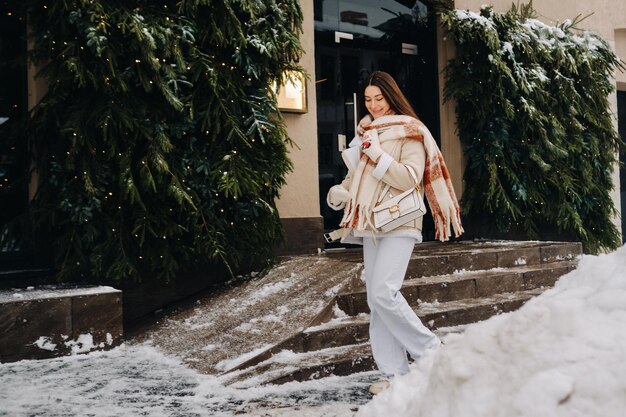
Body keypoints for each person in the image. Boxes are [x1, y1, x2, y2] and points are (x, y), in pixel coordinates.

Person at [325, 71, 463, 394]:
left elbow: (409, 177)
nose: (373, 105)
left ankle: (432, 351)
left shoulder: (410, 131)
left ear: (391, 97)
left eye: (379, 99)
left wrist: (377, 154)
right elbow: (358, 176)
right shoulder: (366, 132)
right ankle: (395, 375)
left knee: (384, 292)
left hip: (400, 222)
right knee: (376, 298)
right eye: (369, 99)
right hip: (371, 223)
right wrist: (341, 192)